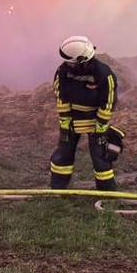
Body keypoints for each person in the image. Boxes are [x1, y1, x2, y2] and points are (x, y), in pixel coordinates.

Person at [50, 35, 120, 191]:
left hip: (95, 121)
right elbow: (61, 97)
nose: (67, 64)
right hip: (71, 121)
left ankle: (107, 193)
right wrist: (65, 121)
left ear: (82, 60)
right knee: (63, 156)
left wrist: (101, 126)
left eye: (71, 62)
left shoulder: (104, 74)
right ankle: (57, 190)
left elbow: (108, 102)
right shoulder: (63, 71)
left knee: (100, 159)